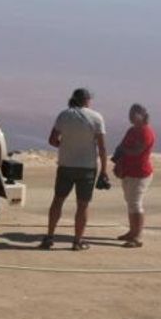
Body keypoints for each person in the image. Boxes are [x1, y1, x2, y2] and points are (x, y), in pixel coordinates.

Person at [40, 87, 109, 250]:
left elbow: (52, 140)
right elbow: (102, 148)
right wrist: (104, 170)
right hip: (87, 167)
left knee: (58, 200)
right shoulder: (96, 117)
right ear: (87, 100)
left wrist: (65, 146)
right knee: (82, 205)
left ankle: (49, 236)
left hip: (66, 165)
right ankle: (77, 241)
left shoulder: (64, 115)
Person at [113, 103, 156, 248]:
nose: (130, 116)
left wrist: (123, 150)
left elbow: (137, 151)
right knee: (130, 202)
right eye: (130, 113)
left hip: (140, 173)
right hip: (128, 171)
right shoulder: (131, 130)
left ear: (142, 115)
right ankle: (132, 231)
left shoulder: (146, 132)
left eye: (133, 114)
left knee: (136, 203)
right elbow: (122, 147)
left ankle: (137, 236)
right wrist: (118, 162)